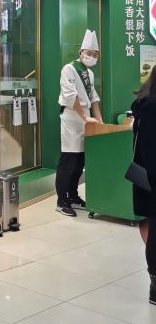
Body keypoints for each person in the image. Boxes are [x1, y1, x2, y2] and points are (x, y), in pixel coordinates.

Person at [55, 29, 103, 216]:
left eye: (95, 54)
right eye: (89, 53)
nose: (92, 57)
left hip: (86, 120)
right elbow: (70, 96)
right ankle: (61, 200)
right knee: (68, 160)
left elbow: (93, 98)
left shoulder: (89, 73)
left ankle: (73, 196)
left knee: (80, 162)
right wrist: (85, 117)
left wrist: (99, 120)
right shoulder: (69, 69)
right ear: (80, 52)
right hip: (72, 119)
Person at [131, 66, 156, 304]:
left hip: (146, 179)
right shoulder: (151, 108)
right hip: (151, 178)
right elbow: (150, 150)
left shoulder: (143, 104)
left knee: (151, 226)